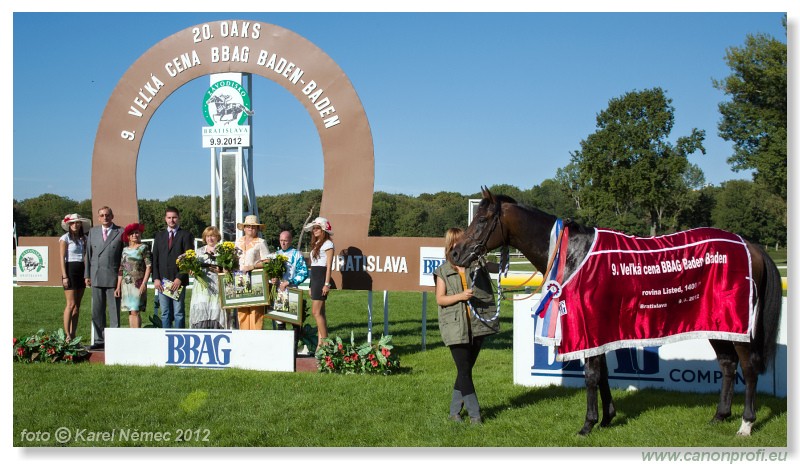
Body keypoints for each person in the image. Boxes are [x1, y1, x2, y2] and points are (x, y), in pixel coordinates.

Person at [433, 227, 500, 424]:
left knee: (465, 371)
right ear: (450, 245)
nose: (461, 245)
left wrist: (500, 261)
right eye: (457, 242)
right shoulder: (442, 272)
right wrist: (460, 297)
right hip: (455, 328)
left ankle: (454, 413)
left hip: (478, 326)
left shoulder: (476, 265)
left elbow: (494, 268)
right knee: (463, 370)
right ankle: (475, 415)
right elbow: (440, 299)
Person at [84, 206, 124, 350]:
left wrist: (122, 278)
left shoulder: (121, 231)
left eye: (107, 215)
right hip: (95, 276)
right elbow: (88, 255)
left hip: (113, 277)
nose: (105, 217)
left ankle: (114, 340)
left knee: (114, 310)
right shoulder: (92, 232)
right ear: (98, 217)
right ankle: (99, 340)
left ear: (112, 216)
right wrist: (87, 275)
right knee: (97, 310)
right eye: (102, 215)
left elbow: (124, 257)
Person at [152, 207, 194, 329]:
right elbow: (155, 259)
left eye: (174, 217)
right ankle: (166, 340)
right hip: (162, 281)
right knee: (165, 313)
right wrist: (156, 278)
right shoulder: (159, 236)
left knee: (178, 313)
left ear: (178, 218)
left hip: (177, 281)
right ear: (165, 219)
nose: (172, 220)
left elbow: (188, 258)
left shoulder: (186, 235)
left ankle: (179, 338)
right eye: (169, 217)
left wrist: (180, 277)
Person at [189, 226, 230, 329]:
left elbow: (228, 270)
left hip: (217, 285)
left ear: (217, 237)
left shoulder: (223, 251)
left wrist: (220, 271)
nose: (210, 239)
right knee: (202, 309)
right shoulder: (198, 252)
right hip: (201, 287)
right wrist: (192, 271)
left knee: (216, 309)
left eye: (212, 236)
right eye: (207, 236)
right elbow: (193, 267)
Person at [59, 213, 91, 342]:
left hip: (82, 271)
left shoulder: (84, 238)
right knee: (70, 304)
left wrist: (87, 274)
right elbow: (61, 257)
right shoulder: (64, 238)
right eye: (72, 223)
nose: (75, 225)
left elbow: (85, 256)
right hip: (70, 270)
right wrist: (65, 276)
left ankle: (73, 334)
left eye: (77, 223)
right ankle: (66, 335)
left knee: (77, 306)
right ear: (68, 225)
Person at [235, 215, 271, 330]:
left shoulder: (261, 242)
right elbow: (234, 259)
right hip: (240, 280)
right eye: (248, 226)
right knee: (242, 312)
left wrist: (253, 266)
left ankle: (256, 340)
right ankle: (244, 340)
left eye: (254, 227)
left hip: (256, 280)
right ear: (244, 228)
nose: (251, 228)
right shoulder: (238, 241)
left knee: (256, 312)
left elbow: (268, 262)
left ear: (258, 229)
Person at [304, 216, 334, 350]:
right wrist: (310, 285)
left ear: (323, 229)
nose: (315, 230)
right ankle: (319, 344)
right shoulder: (316, 244)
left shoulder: (328, 244)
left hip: (322, 278)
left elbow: (328, 266)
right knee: (320, 313)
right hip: (315, 279)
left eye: (317, 228)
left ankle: (326, 343)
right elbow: (313, 266)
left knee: (316, 312)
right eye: (313, 228)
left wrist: (326, 284)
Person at [271, 229, 309, 330]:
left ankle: (294, 344)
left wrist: (290, 282)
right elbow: (271, 273)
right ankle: (282, 344)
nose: (283, 243)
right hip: (279, 291)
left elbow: (304, 272)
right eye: (281, 240)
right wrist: (273, 279)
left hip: (292, 290)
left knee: (294, 319)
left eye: (286, 240)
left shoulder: (297, 254)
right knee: (280, 319)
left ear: (291, 240)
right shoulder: (276, 255)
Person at [116, 223, 151, 328]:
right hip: (126, 284)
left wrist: (144, 284)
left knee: (135, 310)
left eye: (137, 233)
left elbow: (148, 267)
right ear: (128, 236)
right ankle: (132, 335)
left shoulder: (144, 248)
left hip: (138, 283)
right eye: (132, 233)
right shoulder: (125, 250)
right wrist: (118, 287)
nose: (135, 235)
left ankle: (136, 335)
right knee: (130, 311)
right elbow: (121, 269)